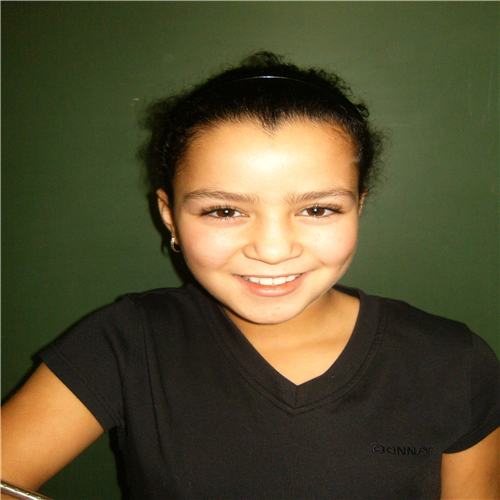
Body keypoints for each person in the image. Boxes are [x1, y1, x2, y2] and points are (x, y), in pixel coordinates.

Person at [1, 51, 499, 500]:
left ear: (358, 207)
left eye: (319, 209)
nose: (274, 250)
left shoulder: (453, 362)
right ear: (170, 217)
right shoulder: (127, 342)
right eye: (224, 211)